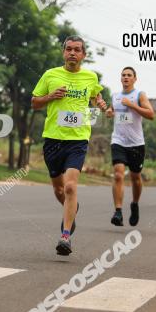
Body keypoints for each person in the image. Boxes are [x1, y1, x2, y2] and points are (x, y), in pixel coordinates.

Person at [31, 36, 108, 256]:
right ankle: (70, 209)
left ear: (83, 55)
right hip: (53, 139)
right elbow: (34, 102)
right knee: (59, 189)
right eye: (69, 49)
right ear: (63, 53)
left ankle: (65, 235)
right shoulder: (50, 75)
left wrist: (100, 103)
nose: (72, 53)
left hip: (78, 139)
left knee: (71, 187)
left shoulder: (90, 77)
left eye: (77, 50)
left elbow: (95, 95)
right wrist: (50, 96)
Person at [105, 67, 154, 226]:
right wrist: (109, 112)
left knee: (135, 178)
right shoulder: (115, 96)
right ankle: (118, 211)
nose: (125, 77)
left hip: (136, 143)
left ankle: (134, 204)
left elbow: (151, 114)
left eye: (129, 75)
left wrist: (133, 105)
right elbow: (112, 111)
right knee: (118, 174)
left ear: (134, 79)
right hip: (118, 140)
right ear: (121, 79)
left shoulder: (140, 95)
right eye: (123, 75)